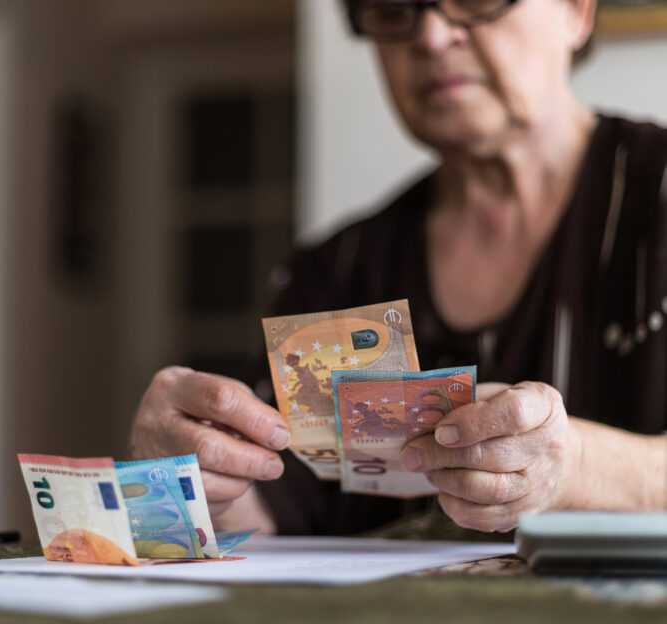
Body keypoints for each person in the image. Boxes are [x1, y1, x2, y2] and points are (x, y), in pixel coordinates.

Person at [127, 0, 667, 535]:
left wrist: (578, 466)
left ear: (577, 12)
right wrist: (186, 475)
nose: (430, 37)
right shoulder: (338, 271)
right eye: (391, 9)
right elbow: (268, 500)